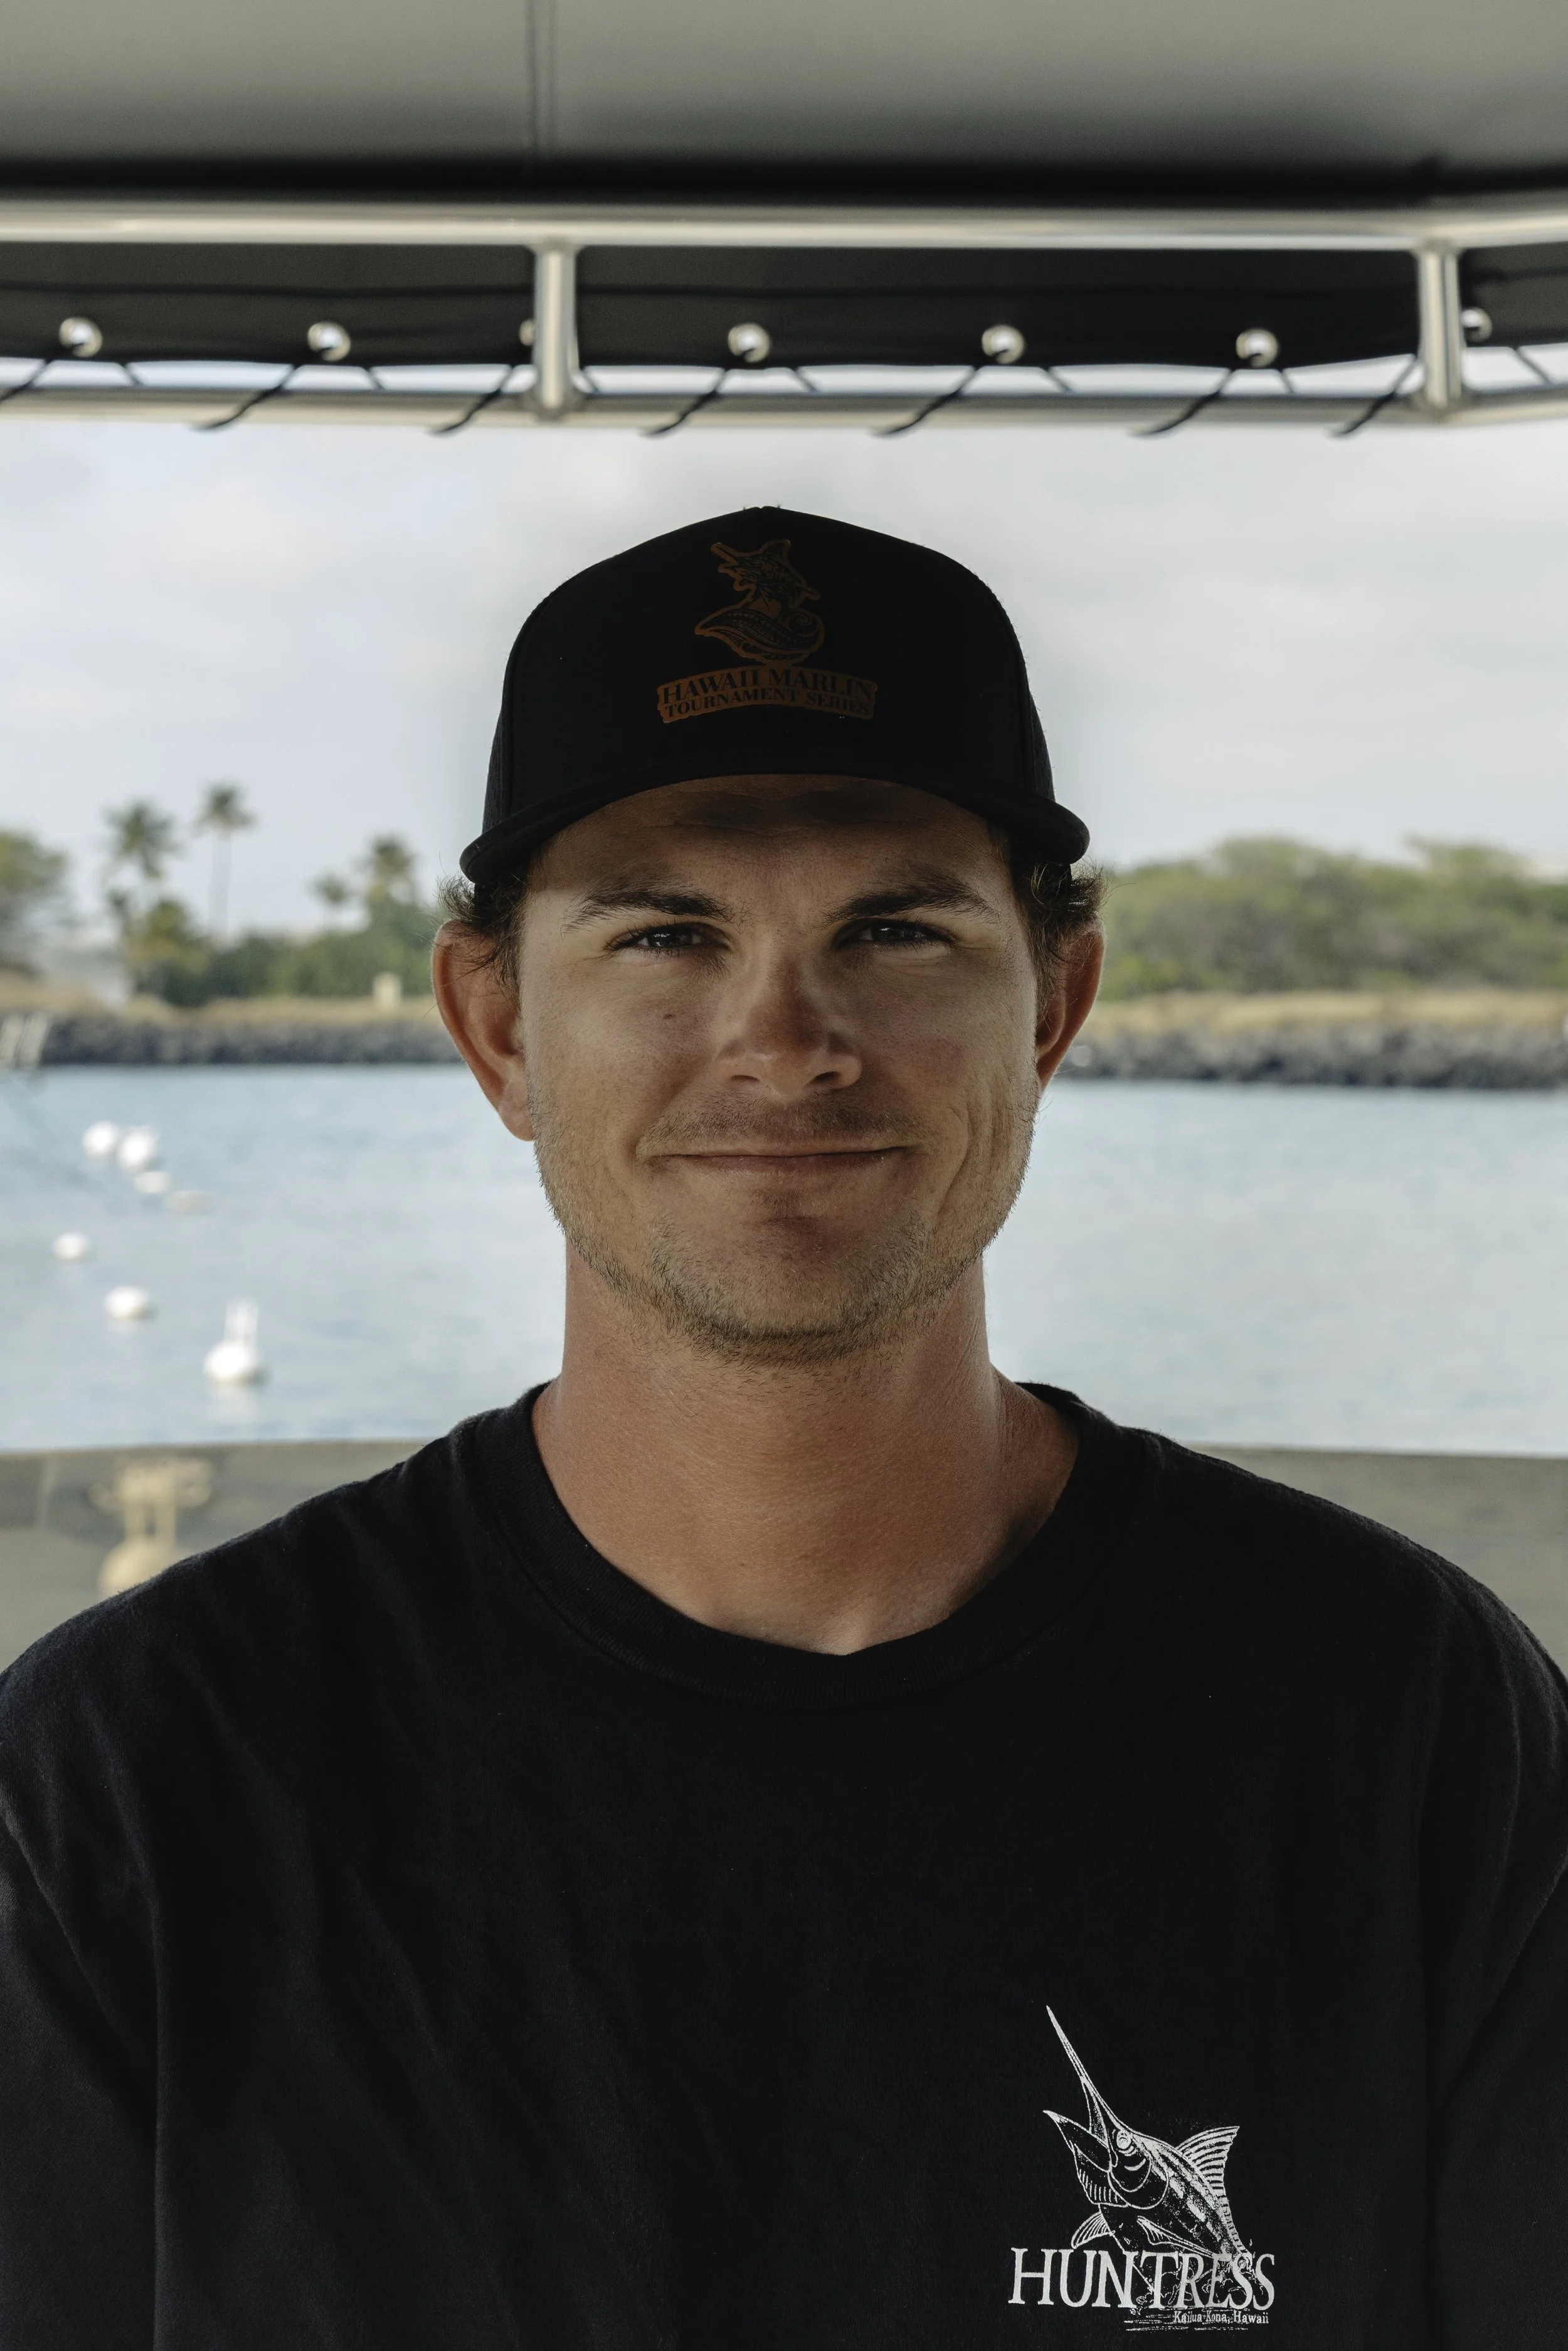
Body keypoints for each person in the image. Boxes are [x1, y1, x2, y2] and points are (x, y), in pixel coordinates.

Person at [1, 509, 1564, 2350]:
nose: (783, 1037)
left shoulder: (1400, 1720)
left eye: (894, 929)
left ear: (1051, 1001)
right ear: (494, 1020)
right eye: (665, 932)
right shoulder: (138, 1778)